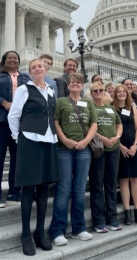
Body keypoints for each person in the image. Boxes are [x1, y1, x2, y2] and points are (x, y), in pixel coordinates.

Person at [8, 59, 60, 256]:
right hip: (29, 139)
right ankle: (25, 234)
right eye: (34, 67)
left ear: (46, 69)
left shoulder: (51, 91)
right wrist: (18, 137)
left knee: (44, 186)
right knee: (28, 187)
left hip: (49, 140)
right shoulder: (23, 89)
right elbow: (13, 116)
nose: (38, 68)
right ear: (29, 72)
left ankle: (40, 232)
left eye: (41, 66)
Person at [49, 73, 97, 245]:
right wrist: (65, 140)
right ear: (68, 85)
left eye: (78, 82)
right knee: (63, 189)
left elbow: (94, 124)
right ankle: (57, 231)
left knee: (79, 189)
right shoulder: (61, 101)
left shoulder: (88, 102)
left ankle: (79, 228)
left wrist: (85, 141)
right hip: (64, 149)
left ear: (82, 85)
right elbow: (55, 122)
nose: (75, 84)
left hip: (83, 149)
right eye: (72, 82)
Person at [0, 50, 30, 208]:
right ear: (4, 61)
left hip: (18, 123)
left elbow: (32, 95)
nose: (12, 60)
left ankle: (14, 192)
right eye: (9, 58)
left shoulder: (25, 77)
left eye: (15, 58)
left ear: (18, 61)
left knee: (17, 159)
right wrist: (4, 103)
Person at [89, 81, 123, 233]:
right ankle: (99, 221)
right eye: (95, 91)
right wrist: (102, 138)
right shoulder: (90, 107)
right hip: (99, 149)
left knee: (110, 184)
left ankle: (112, 218)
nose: (98, 93)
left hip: (114, 149)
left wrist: (117, 136)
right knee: (97, 185)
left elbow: (119, 124)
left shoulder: (110, 108)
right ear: (91, 93)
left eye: (100, 90)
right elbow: (89, 127)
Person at [112, 84, 137, 225]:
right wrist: (120, 147)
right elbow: (111, 129)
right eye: (119, 92)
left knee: (135, 179)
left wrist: (136, 144)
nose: (121, 94)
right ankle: (127, 212)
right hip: (120, 146)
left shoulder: (133, 108)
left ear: (127, 94)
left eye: (123, 92)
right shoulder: (112, 108)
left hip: (133, 146)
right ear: (115, 94)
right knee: (124, 180)